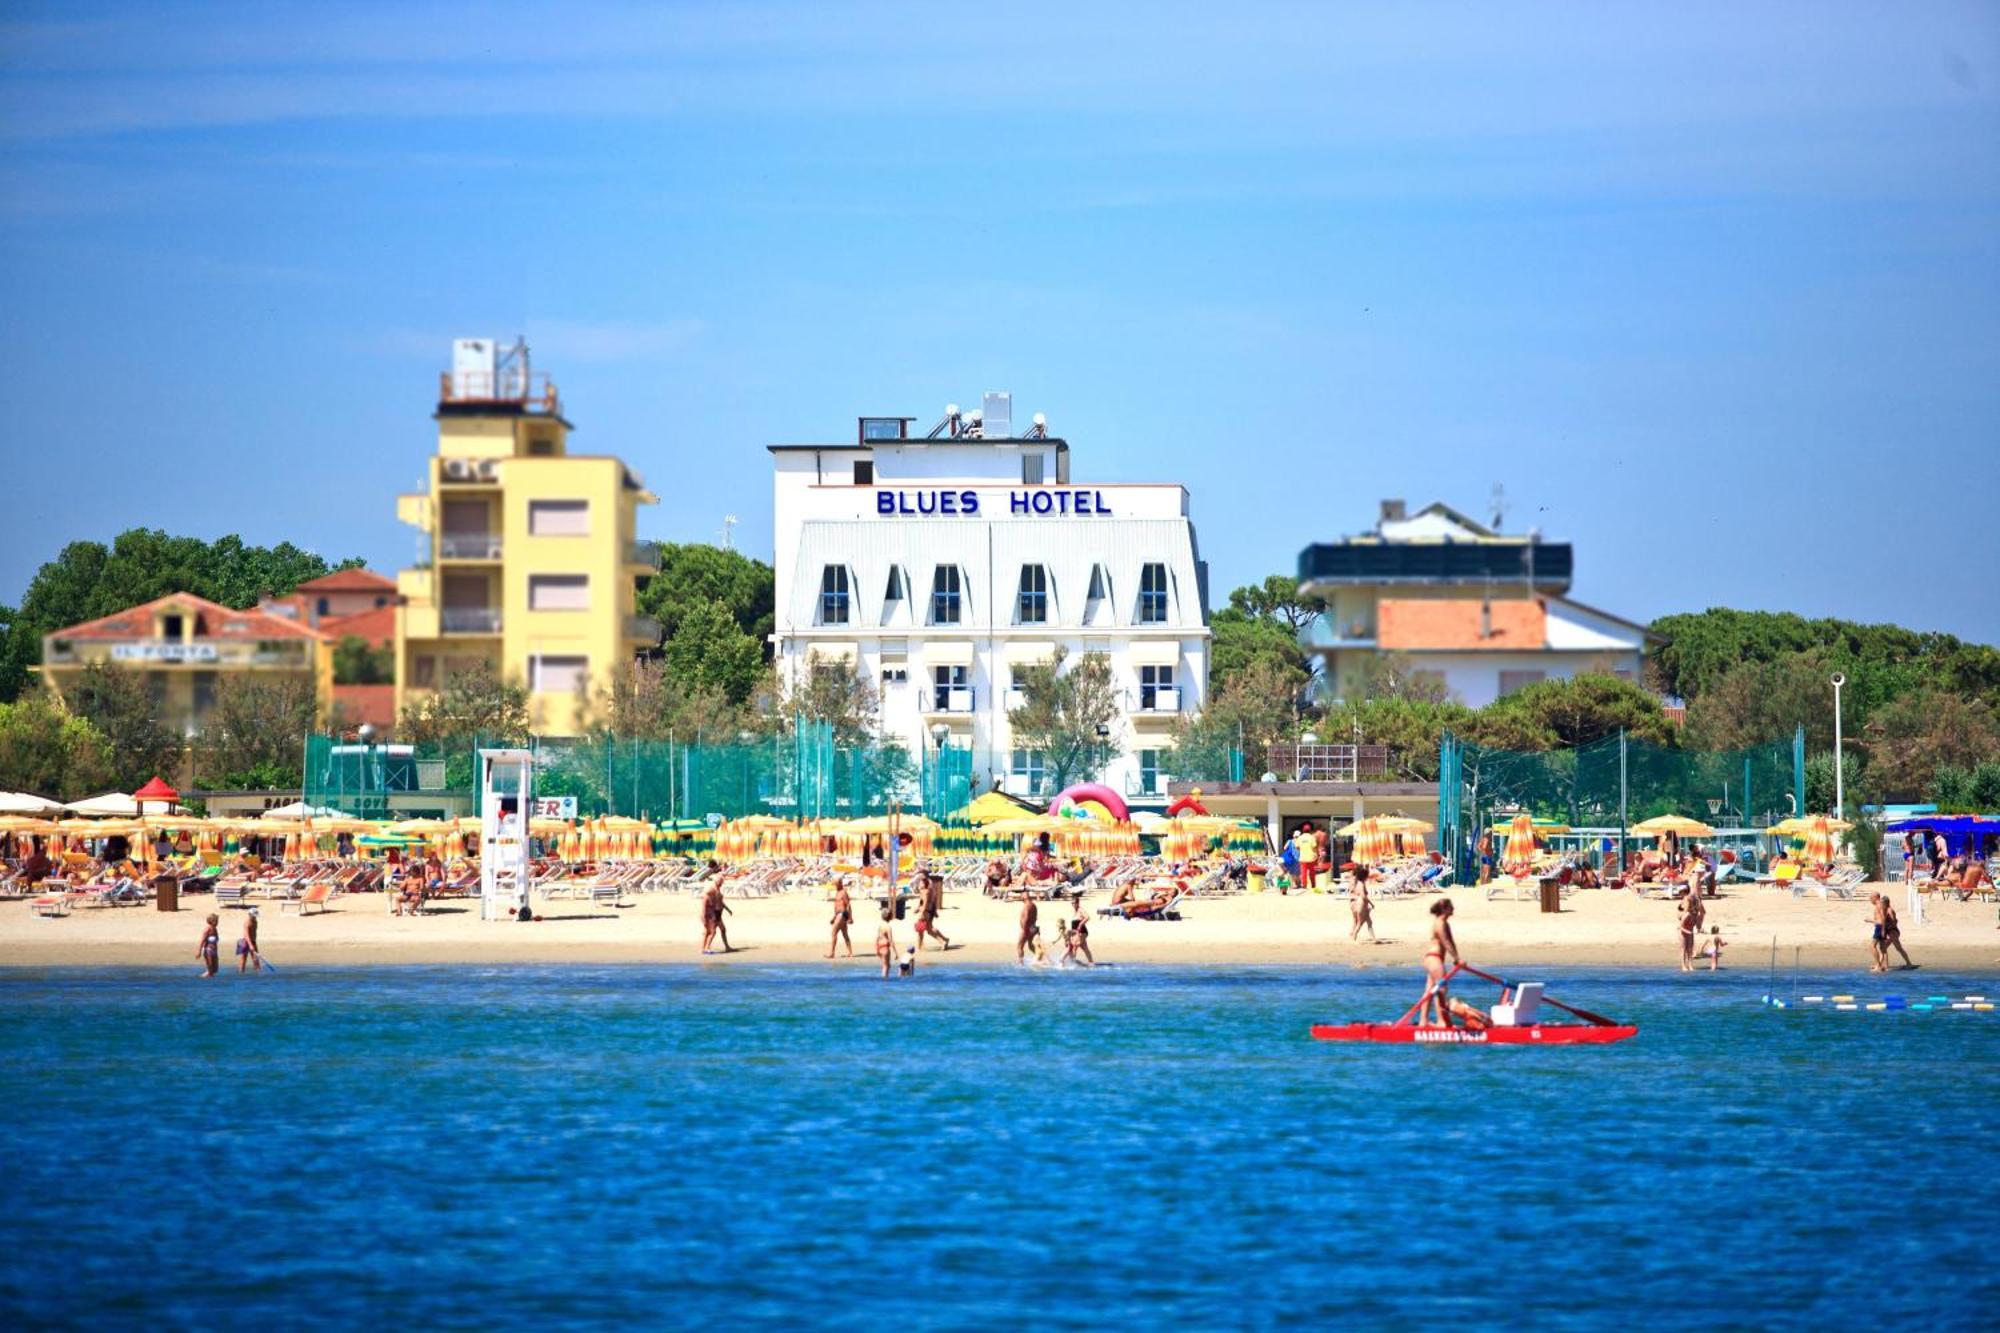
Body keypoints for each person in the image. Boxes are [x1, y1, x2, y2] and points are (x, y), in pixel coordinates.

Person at [1420, 898, 1459, 1025]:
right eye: (1451, 907)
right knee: (1441, 989)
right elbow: (1445, 942)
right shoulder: (1440, 923)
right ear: (1445, 909)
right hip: (1434, 958)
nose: (1453, 909)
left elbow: (1451, 942)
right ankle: (1442, 1021)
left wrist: (1457, 958)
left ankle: (1423, 1021)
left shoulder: (1445, 923)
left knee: (1430, 991)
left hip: (1435, 959)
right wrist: (1456, 958)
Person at [915, 872, 951, 952]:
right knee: (929, 929)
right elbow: (924, 902)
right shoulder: (928, 889)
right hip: (929, 911)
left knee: (921, 930)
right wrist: (918, 908)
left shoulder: (925, 891)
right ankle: (944, 940)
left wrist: (921, 913)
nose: (919, 884)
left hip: (925, 912)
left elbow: (925, 903)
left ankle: (919, 947)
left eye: (920, 883)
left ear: (924, 883)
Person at [1881, 897, 1915, 970]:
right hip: (1890, 932)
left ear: (1885, 903)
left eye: (1882, 903)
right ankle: (1883, 965)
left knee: (1898, 948)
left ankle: (1909, 963)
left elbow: (1894, 920)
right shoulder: (1885, 910)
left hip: (1893, 932)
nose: (1880, 905)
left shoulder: (1889, 910)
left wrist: (1889, 925)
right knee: (1883, 948)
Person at [827, 877, 854, 958]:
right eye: (834, 884)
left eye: (836, 884)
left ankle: (832, 953)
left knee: (833, 932)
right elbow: (837, 907)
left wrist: (850, 917)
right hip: (839, 915)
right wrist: (834, 917)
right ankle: (850, 953)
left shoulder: (843, 892)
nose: (835, 886)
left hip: (842, 914)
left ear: (840, 883)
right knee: (845, 934)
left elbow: (848, 905)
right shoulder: (838, 893)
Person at [1349, 864, 1376, 943]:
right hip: (1361, 904)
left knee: (1367, 921)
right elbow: (1363, 895)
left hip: (1354, 902)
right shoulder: (1360, 883)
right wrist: (1371, 903)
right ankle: (1354, 936)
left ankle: (1373, 938)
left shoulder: (1355, 880)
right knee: (1361, 922)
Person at [236, 908, 262, 974]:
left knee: (256, 959)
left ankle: (258, 973)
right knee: (243, 960)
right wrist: (250, 945)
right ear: (250, 915)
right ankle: (241, 973)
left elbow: (253, 933)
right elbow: (246, 935)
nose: (255, 917)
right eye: (254, 916)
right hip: (244, 942)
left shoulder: (255, 921)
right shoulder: (247, 922)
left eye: (255, 916)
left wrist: (253, 943)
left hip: (253, 941)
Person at [1017, 891, 1039, 963]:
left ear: (1023, 897)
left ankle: (1021, 963)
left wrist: (1025, 929)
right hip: (1033, 927)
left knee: (1019, 946)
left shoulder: (1027, 905)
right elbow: (1035, 917)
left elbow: (1026, 917)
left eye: (1021, 897)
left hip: (1027, 928)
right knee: (1030, 945)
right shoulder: (1033, 905)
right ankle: (1040, 956)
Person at [1677, 898, 1699, 972]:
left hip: (1690, 932)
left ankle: (1690, 965)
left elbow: (1696, 925)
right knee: (1683, 949)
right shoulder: (1687, 915)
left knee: (1690, 949)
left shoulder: (1695, 915)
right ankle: (1683, 966)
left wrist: (1699, 928)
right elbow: (1680, 927)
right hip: (1683, 933)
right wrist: (1687, 932)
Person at [875, 905, 896, 978]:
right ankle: (884, 982)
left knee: (886, 965)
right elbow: (890, 940)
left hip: (879, 946)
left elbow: (878, 937)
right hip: (885, 947)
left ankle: (884, 980)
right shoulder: (888, 927)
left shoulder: (880, 926)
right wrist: (895, 952)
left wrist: (876, 949)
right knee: (886, 966)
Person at [197, 913, 220, 979]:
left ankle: (206, 978)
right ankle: (202, 979)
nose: (217, 922)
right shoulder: (207, 929)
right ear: (212, 921)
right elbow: (202, 941)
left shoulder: (215, 929)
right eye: (216, 921)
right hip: (208, 951)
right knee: (210, 970)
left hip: (214, 951)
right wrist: (199, 952)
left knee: (215, 969)